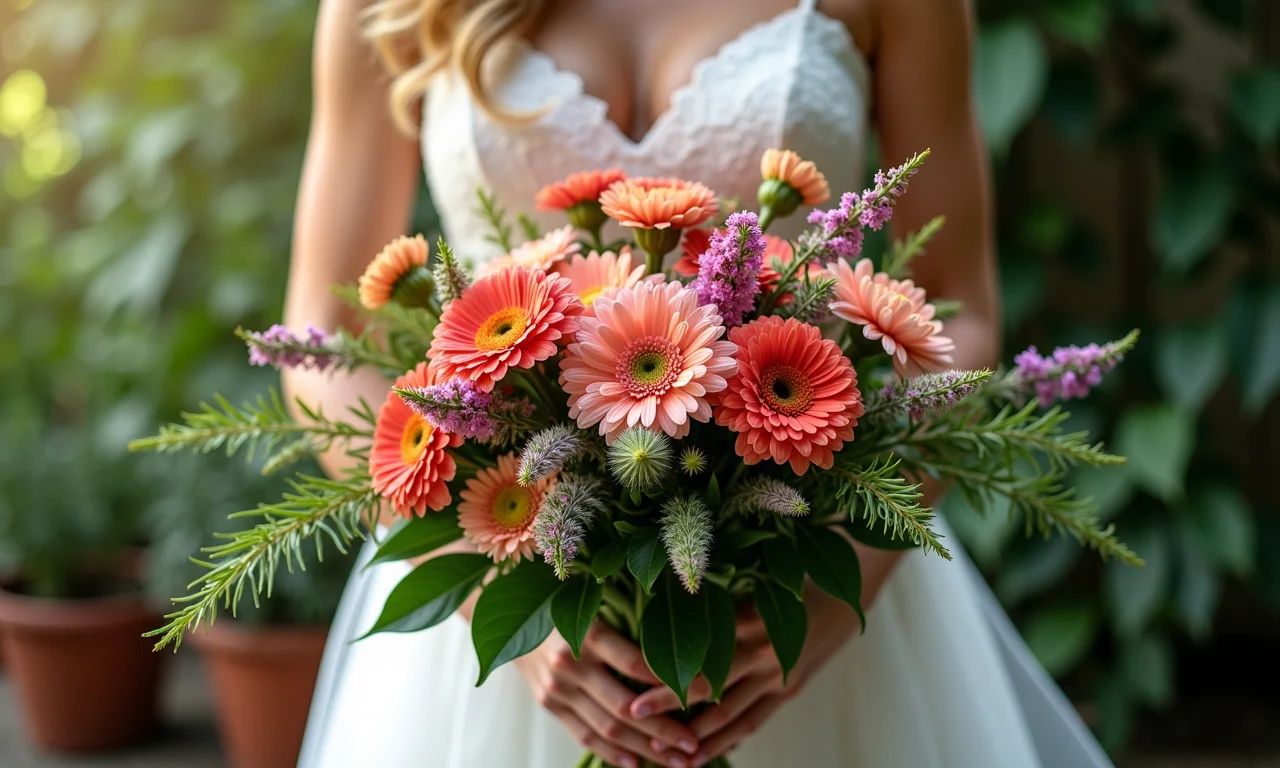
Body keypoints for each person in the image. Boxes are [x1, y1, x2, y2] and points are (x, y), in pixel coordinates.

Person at [287, 1, 1114, 766]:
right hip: (502, 580)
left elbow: (957, 314)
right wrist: (497, 599)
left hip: (807, 580)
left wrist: (842, 586)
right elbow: (320, 342)